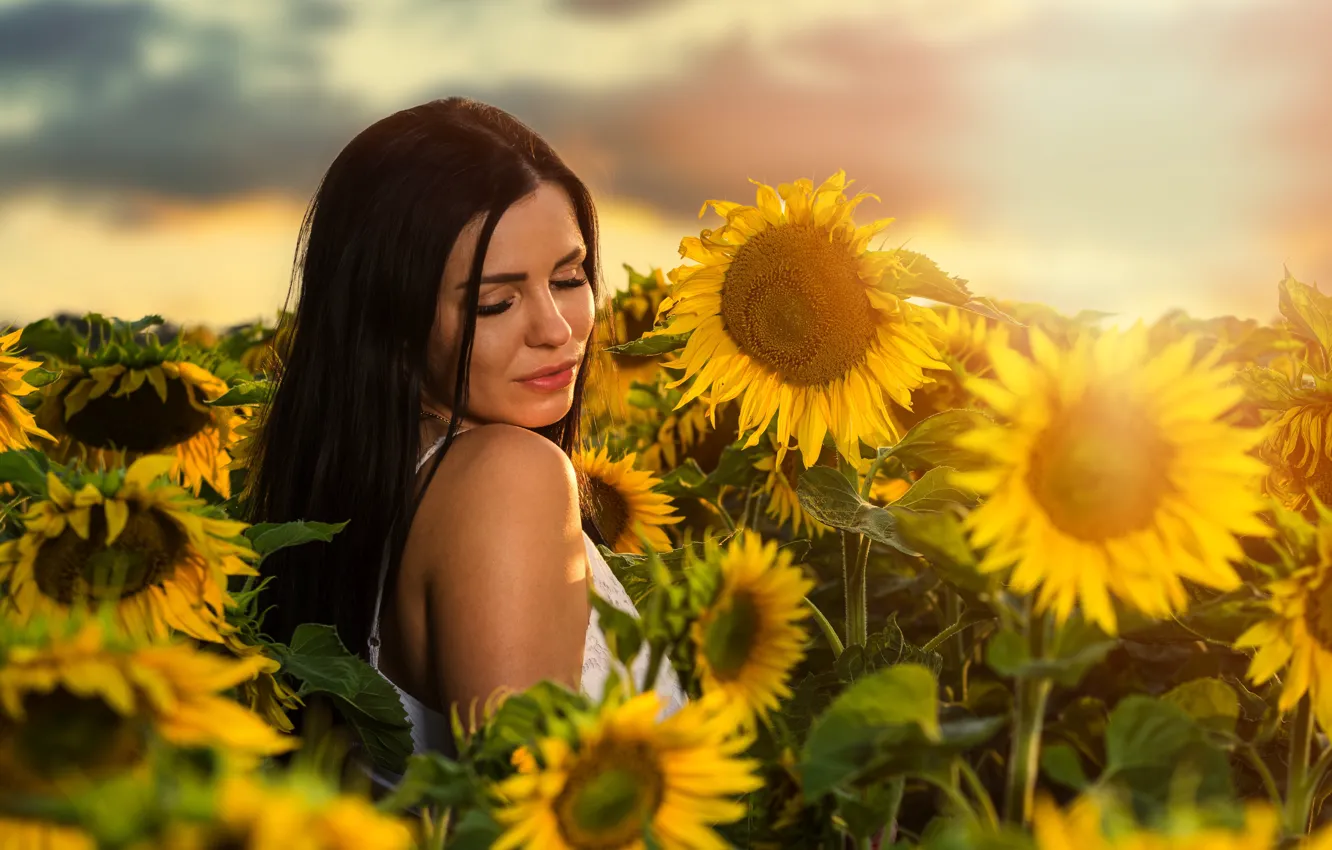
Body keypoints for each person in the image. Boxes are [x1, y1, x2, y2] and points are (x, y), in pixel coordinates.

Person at [241, 97, 686, 779]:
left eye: (569, 278)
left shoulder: (370, 497)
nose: (557, 328)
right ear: (389, 320)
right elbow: (520, 814)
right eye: (495, 302)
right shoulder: (506, 477)